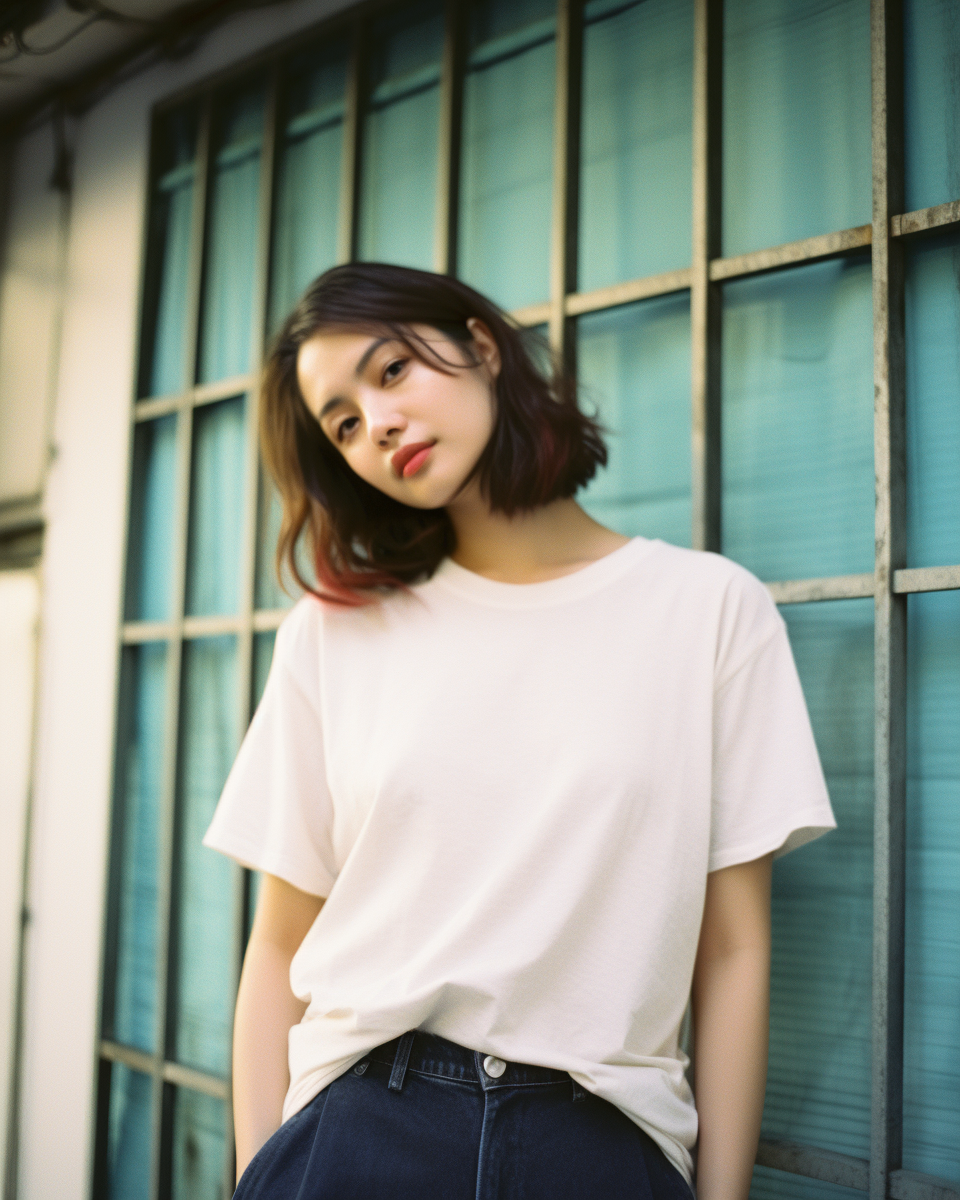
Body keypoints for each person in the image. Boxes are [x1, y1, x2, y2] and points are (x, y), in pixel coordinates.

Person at [202, 261, 836, 1200]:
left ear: (482, 346)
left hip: (602, 1143)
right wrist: (263, 1176)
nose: (375, 424)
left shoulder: (708, 611)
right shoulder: (332, 635)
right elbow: (279, 947)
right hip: (361, 1129)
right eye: (342, 423)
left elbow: (734, 948)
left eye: (389, 373)